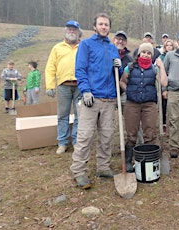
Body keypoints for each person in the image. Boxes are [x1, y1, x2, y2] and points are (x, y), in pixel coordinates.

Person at [69, 13, 122, 189]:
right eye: (101, 24)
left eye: (106, 24)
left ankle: (103, 167)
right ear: (94, 26)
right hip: (91, 97)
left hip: (109, 99)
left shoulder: (113, 48)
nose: (104, 27)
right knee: (85, 136)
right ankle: (78, 171)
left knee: (106, 136)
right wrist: (85, 91)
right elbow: (80, 69)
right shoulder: (86, 44)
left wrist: (119, 67)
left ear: (109, 27)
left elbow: (117, 76)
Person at [120, 42, 167, 172]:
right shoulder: (129, 67)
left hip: (149, 105)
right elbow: (122, 82)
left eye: (149, 53)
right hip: (132, 104)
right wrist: (129, 90)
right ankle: (128, 161)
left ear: (151, 55)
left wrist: (162, 67)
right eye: (144, 52)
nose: (146, 55)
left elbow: (163, 82)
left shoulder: (154, 69)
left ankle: (149, 161)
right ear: (139, 53)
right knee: (131, 134)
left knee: (149, 133)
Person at [45, 20, 82, 154]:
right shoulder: (57, 48)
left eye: (74, 30)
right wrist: (50, 85)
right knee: (62, 115)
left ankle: (77, 141)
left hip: (80, 86)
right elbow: (50, 67)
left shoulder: (83, 47)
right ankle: (62, 142)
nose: (72, 32)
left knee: (80, 115)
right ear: (65, 32)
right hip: (63, 86)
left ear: (79, 33)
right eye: (69, 29)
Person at [113, 30, 134, 112]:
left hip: (123, 93)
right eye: (118, 39)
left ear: (126, 43)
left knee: (129, 117)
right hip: (109, 93)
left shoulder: (129, 59)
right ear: (114, 40)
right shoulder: (107, 54)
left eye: (123, 40)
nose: (120, 41)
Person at [160, 38, 177, 133]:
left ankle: (172, 122)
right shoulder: (162, 57)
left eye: (171, 45)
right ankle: (163, 123)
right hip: (163, 81)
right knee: (163, 103)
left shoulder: (175, 56)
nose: (169, 47)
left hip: (173, 82)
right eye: (167, 45)